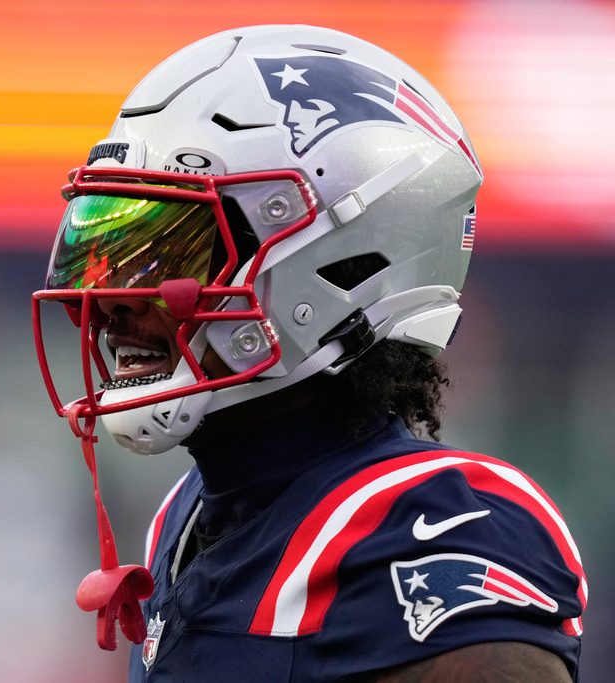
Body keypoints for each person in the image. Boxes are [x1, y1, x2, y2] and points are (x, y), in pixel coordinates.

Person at [31, 25, 586, 681]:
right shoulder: (185, 518)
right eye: (111, 257)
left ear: (339, 264)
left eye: (170, 252)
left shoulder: (439, 530)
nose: (111, 298)